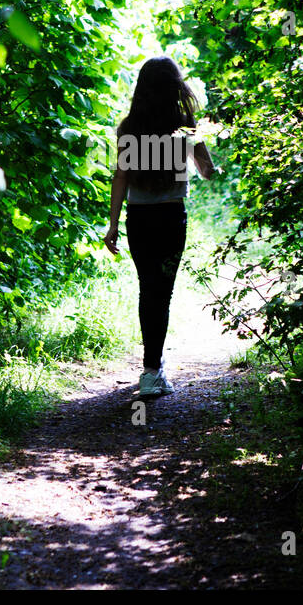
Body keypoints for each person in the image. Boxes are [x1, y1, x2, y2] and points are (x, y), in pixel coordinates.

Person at [102, 56, 216, 398]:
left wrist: (112, 226)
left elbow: (120, 178)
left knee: (146, 288)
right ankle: (152, 372)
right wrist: (204, 149)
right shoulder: (184, 125)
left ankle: (151, 370)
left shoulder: (128, 127)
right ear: (174, 86)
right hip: (170, 217)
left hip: (138, 219)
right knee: (161, 292)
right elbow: (207, 170)